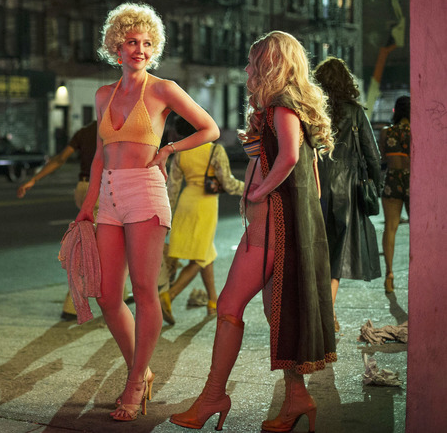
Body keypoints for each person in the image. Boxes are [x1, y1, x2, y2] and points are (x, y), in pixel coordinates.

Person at [169, 31, 336, 432]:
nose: (246, 69)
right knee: (275, 311)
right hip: (283, 225)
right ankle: (297, 398)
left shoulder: (281, 105)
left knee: (228, 308)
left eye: (252, 62)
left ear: (269, 65)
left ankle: (213, 397)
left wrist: (258, 191)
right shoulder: (289, 106)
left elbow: (291, 157)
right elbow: (310, 176)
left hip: (270, 226)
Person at [78, 2, 219, 422]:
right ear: (116, 46)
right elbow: (101, 156)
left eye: (146, 43)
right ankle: (140, 368)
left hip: (145, 192)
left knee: (143, 289)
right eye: (130, 42)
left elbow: (208, 127)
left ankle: (135, 380)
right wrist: (88, 205)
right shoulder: (104, 95)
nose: (139, 49)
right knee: (107, 295)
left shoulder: (162, 89)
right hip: (109, 195)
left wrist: (170, 149)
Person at [313, 57, 382, 332]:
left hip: (315, 187)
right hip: (348, 191)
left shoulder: (312, 111)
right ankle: (327, 314)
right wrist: (377, 184)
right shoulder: (355, 112)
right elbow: (372, 155)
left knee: (319, 251)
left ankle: (323, 311)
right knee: (338, 255)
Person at [159, 119, 245, 324]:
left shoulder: (180, 153)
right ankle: (169, 296)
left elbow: (172, 189)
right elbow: (229, 184)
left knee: (206, 253)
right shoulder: (215, 150)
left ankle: (212, 301)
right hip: (205, 206)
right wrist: (251, 188)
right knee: (199, 257)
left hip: (185, 204)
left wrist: (166, 216)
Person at [18, 120, 99, 320]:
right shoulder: (115, 129)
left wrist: (34, 179)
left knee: (96, 243)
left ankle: (116, 297)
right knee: (99, 246)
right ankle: (73, 304)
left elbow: (60, 159)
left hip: (83, 187)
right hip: (101, 189)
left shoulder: (85, 132)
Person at [378, 96, 410, 294]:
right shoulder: (416, 132)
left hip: (392, 179)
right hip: (413, 180)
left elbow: (382, 157)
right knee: (419, 231)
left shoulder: (386, 132)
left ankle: (389, 275)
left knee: (390, 228)